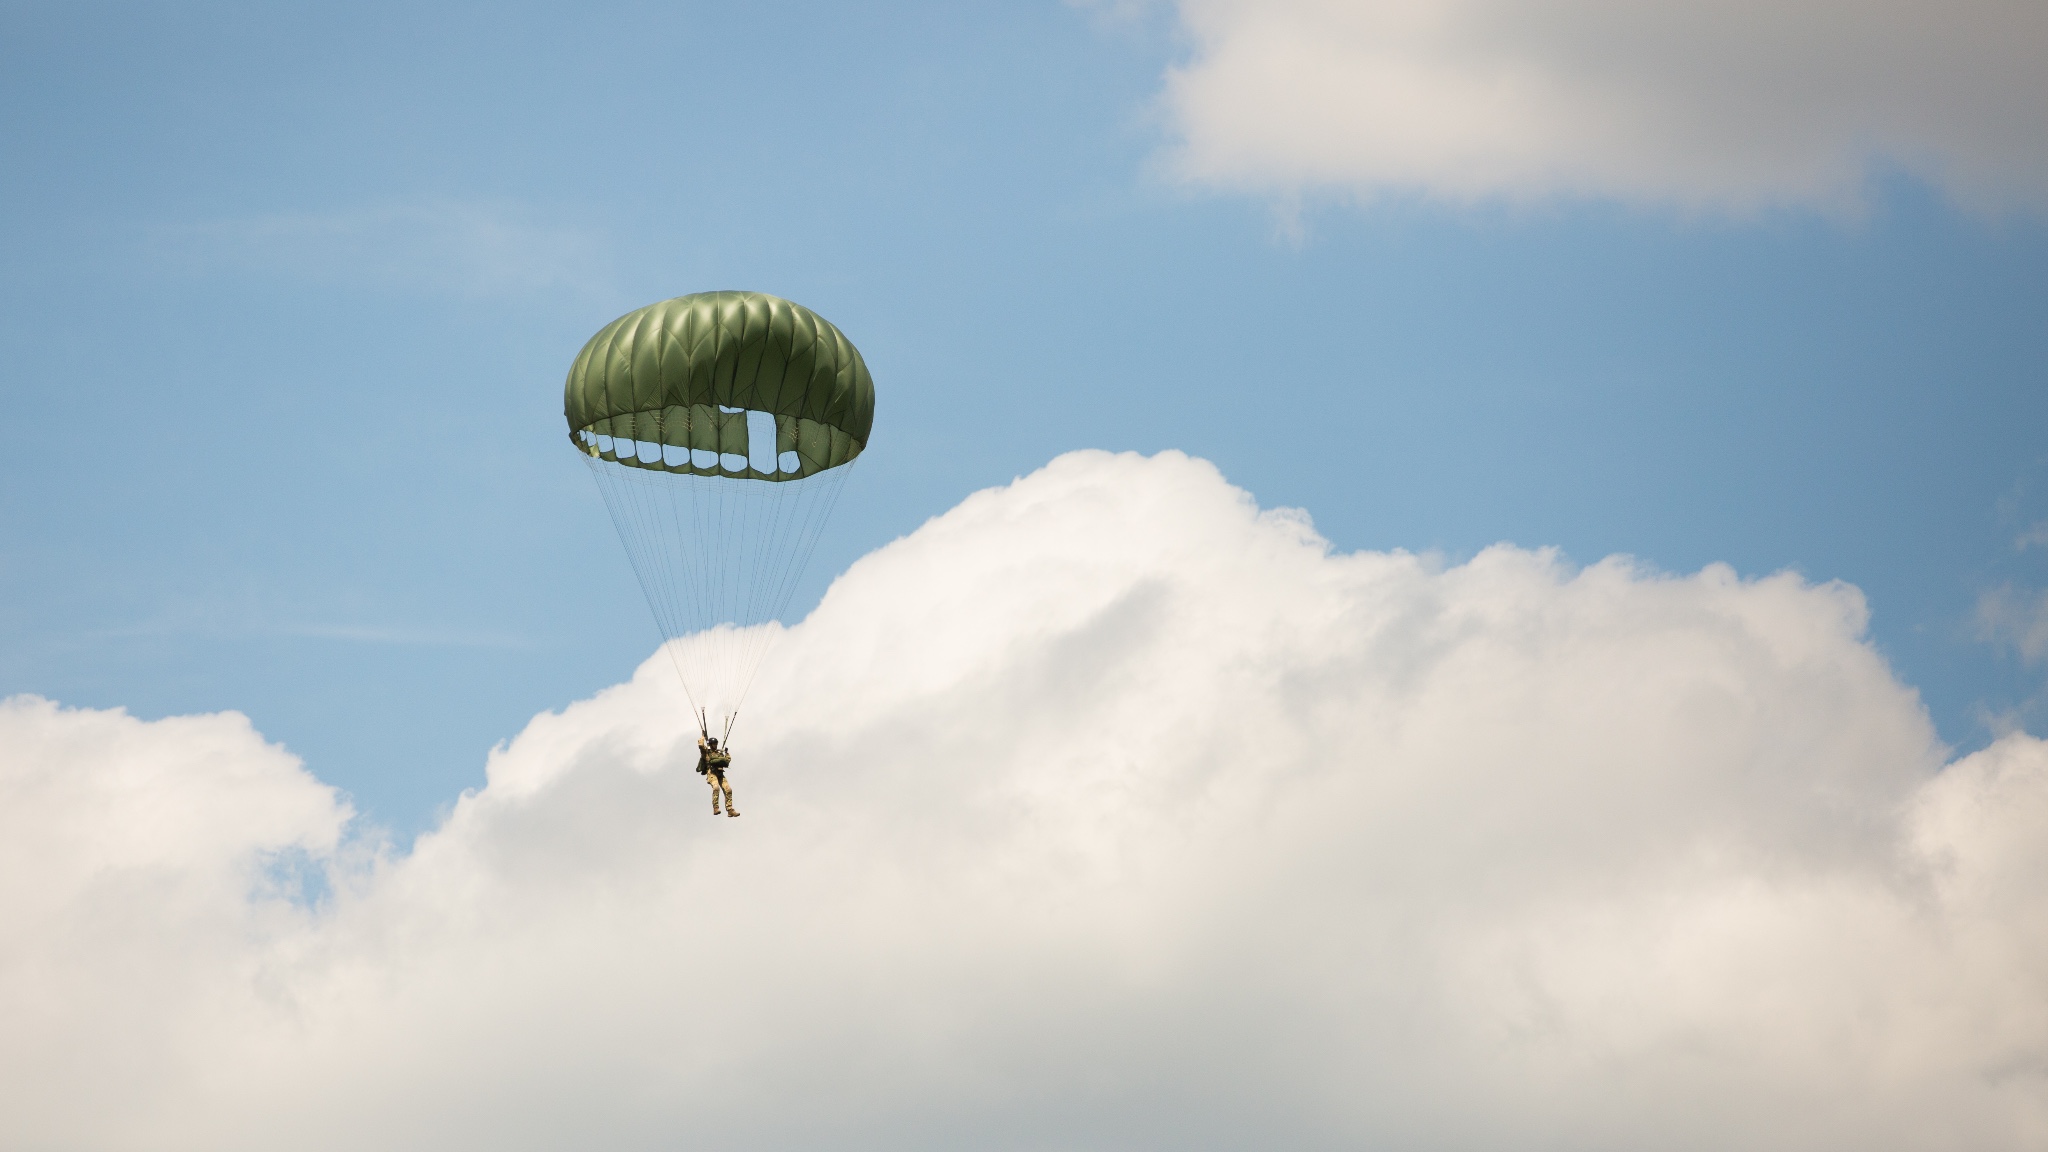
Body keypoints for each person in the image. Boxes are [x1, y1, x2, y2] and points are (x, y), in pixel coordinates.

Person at [697, 736, 737, 817]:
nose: (715, 746)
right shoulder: (706, 752)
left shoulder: (719, 753)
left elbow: (727, 761)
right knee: (716, 787)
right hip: (711, 773)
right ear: (710, 744)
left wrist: (727, 753)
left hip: (720, 774)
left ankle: (730, 810)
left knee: (728, 789)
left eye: (716, 744)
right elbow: (701, 745)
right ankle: (716, 808)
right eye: (713, 744)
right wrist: (702, 737)